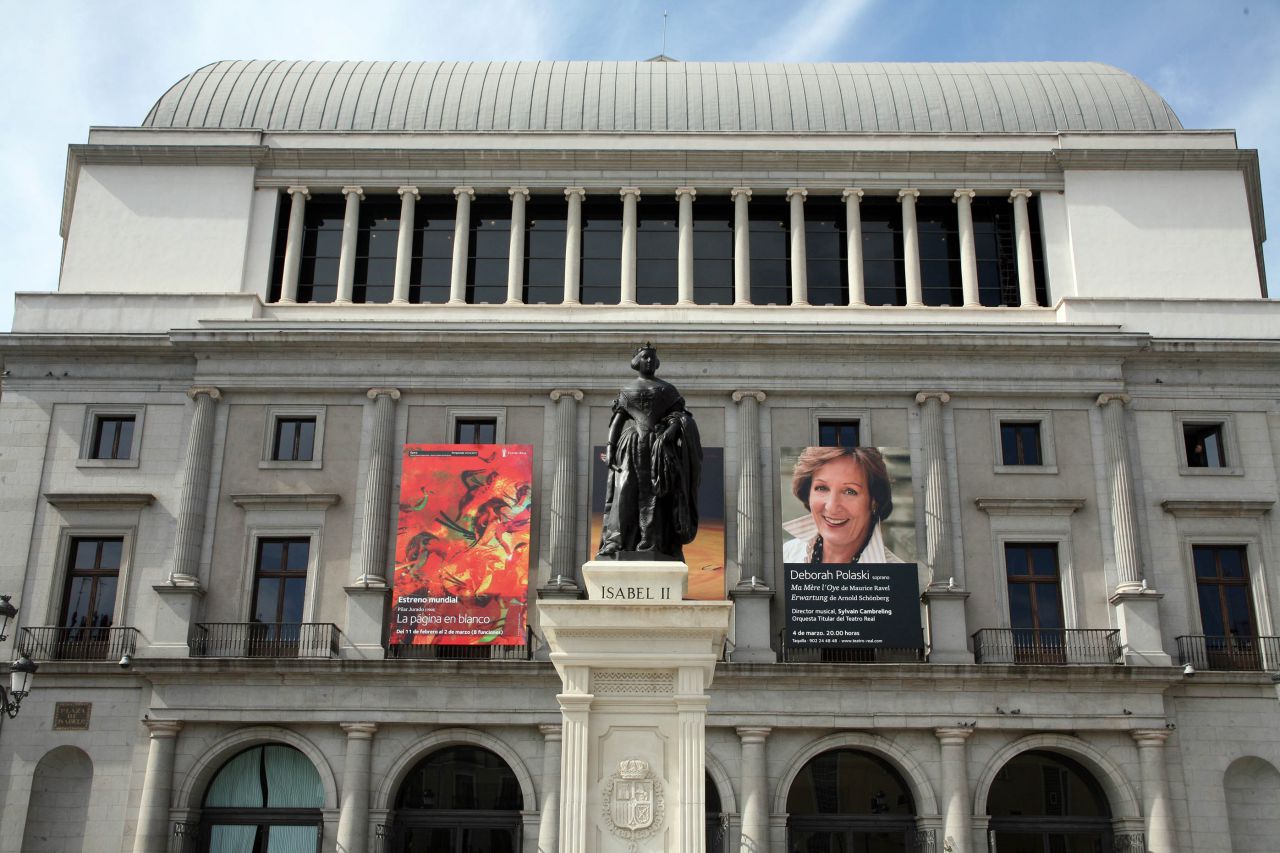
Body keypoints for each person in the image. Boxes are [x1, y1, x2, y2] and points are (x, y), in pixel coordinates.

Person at [596, 344, 702, 561]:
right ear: (636, 361)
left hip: (658, 449)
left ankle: (653, 543)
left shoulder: (668, 390)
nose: (649, 361)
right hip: (631, 445)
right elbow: (618, 421)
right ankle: (616, 542)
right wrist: (610, 448)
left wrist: (672, 431)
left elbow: (682, 417)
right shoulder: (627, 390)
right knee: (624, 493)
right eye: (645, 357)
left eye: (652, 358)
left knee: (657, 495)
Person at [783, 446, 904, 564]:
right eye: (822, 488)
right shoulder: (787, 556)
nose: (831, 507)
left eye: (850, 491)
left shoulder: (897, 578)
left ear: (874, 501)